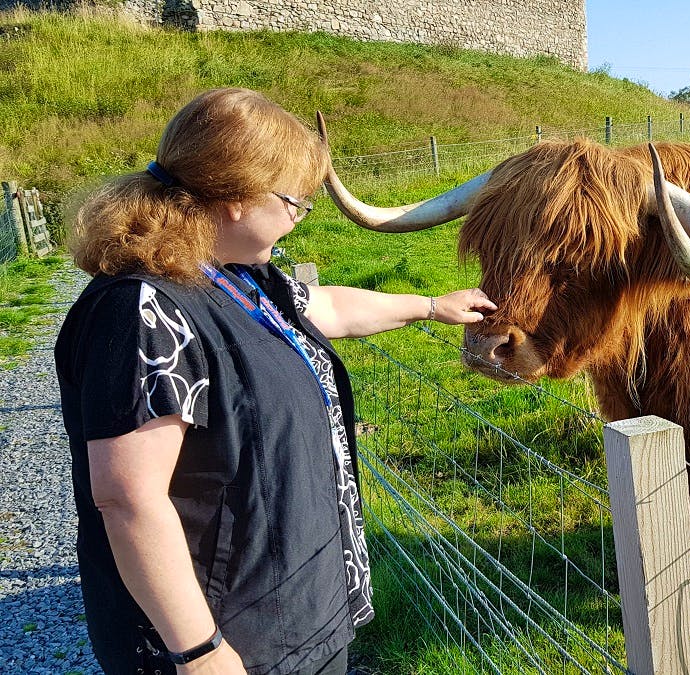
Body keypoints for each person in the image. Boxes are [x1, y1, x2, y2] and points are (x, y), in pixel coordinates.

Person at [55, 87, 496, 674]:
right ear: (237, 197)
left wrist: (431, 305)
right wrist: (199, 652)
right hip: (230, 640)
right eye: (294, 201)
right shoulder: (145, 310)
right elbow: (127, 497)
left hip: (291, 616)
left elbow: (327, 308)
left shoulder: (235, 276)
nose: (299, 216)